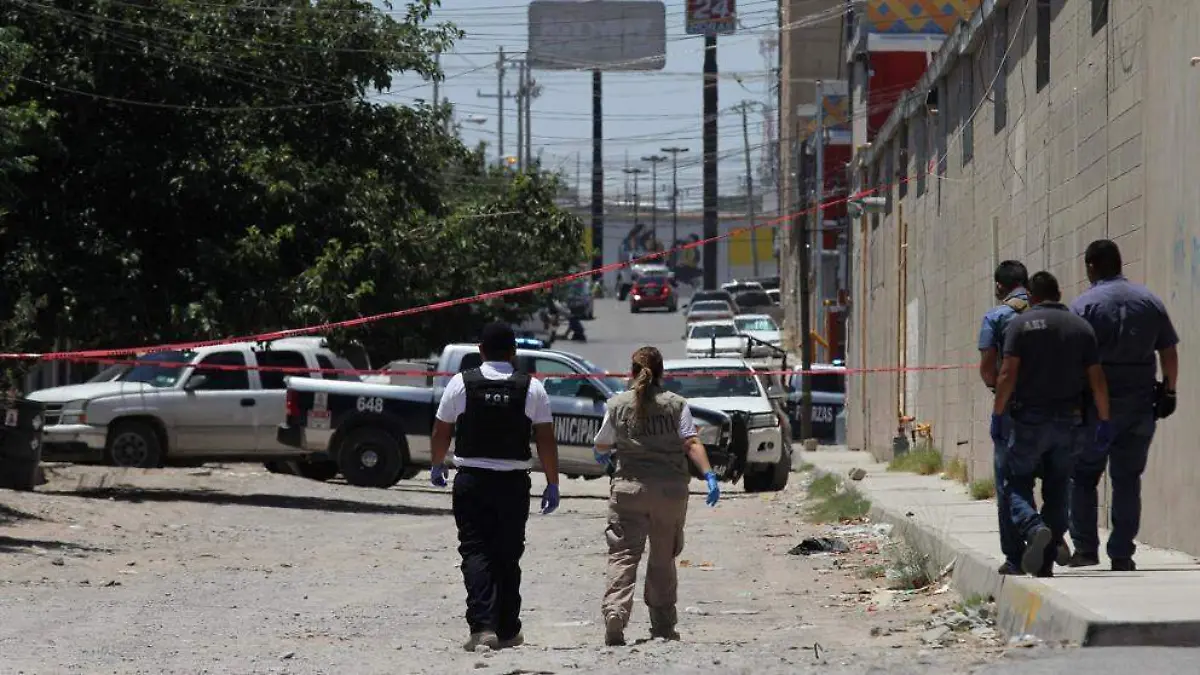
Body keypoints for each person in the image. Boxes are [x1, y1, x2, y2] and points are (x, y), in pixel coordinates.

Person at [430, 322, 561, 652]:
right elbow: (545, 438)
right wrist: (553, 482)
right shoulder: (531, 388)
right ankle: (507, 628)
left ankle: (482, 627)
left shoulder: (462, 383)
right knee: (508, 553)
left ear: (480, 349)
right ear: (514, 352)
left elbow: (442, 429)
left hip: (472, 480)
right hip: (513, 484)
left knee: (475, 551)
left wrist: (436, 463)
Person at [592, 346, 720, 646]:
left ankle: (615, 613)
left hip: (629, 490)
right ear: (662, 373)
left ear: (631, 372)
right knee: (663, 556)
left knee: (623, 555)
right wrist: (709, 475)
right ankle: (662, 623)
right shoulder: (676, 405)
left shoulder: (617, 404)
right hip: (669, 492)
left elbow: (602, 443)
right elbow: (690, 442)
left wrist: (603, 455)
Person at [1067, 240, 1179, 571]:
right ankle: (1122, 553)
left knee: (1084, 475)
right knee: (1128, 479)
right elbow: (1168, 351)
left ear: (1090, 267)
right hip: (1141, 402)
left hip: (1095, 409)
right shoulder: (1149, 301)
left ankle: (1086, 549)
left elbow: (1074, 359)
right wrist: (1170, 391)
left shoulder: (1083, 306)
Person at [992, 271, 1112, 577]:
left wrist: (998, 413)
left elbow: (1007, 374)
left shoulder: (1020, 325)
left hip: (1029, 419)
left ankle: (1034, 528)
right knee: (1059, 487)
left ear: (1031, 296)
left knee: (1015, 482)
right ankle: (1046, 556)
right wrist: (1104, 419)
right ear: (1058, 293)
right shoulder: (1080, 327)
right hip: (1070, 421)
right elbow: (1096, 377)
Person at [976, 260, 1031, 576]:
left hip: (1010, 407)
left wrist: (995, 389)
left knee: (1008, 479)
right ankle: (1048, 536)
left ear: (999, 286)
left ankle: (1016, 556)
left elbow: (988, 366)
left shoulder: (996, 317)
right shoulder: (1047, 313)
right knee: (1050, 478)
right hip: (1052, 409)